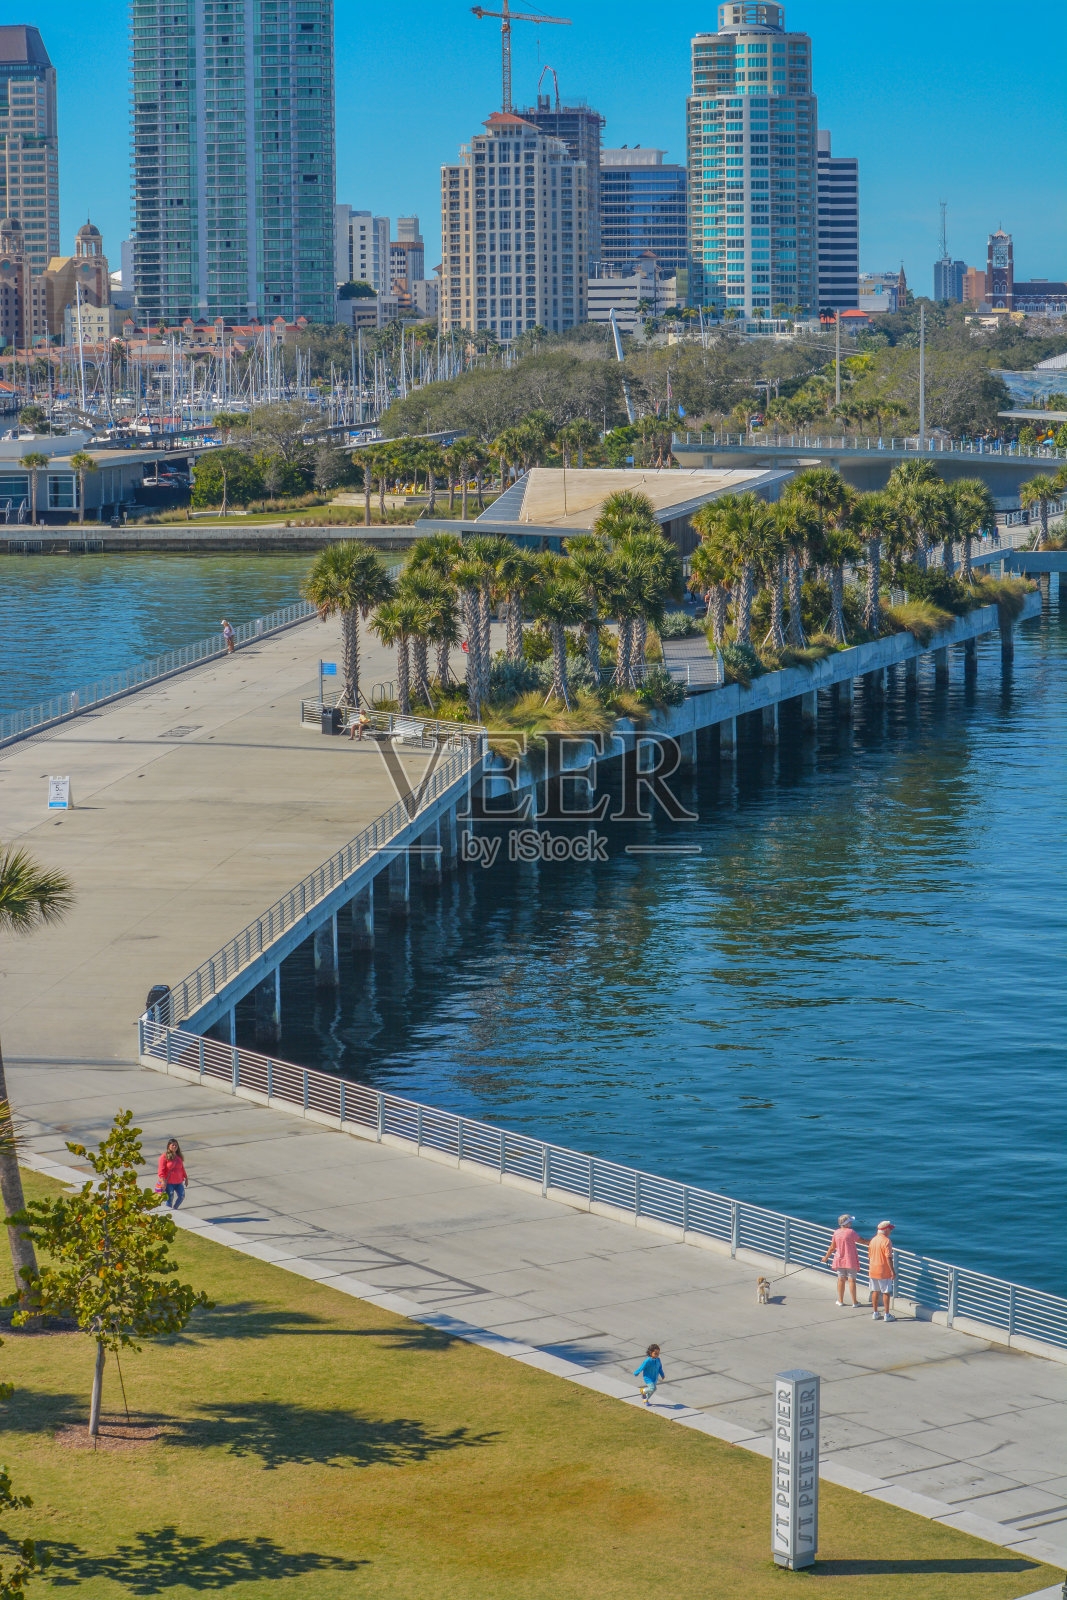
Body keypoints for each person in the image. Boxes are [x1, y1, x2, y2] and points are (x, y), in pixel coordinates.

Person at [821, 1213, 869, 1308]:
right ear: (847, 1223)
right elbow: (862, 1241)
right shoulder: (851, 1232)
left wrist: (826, 1257)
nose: (851, 1223)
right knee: (852, 1281)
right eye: (850, 1221)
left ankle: (840, 1300)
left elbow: (832, 1247)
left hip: (839, 1259)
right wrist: (872, 1241)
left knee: (841, 1280)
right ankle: (854, 1302)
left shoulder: (836, 1232)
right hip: (850, 1260)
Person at [868, 1220, 896, 1322]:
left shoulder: (873, 1240)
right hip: (883, 1270)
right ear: (886, 1230)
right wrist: (892, 1271)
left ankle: (875, 1313)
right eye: (890, 1229)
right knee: (886, 1292)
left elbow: (870, 1255)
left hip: (873, 1269)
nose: (891, 1231)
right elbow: (888, 1257)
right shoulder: (886, 1241)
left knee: (875, 1291)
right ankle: (887, 1315)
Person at [157, 1138, 188, 1210]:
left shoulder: (179, 1157)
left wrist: (186, 1178)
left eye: (176, 1145)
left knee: (181, 1196)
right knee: (170, 1199)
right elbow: (161, 1170)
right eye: (173, 1145)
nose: (174, 1146)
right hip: (169, 1183)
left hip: (179, 1182)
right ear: (169, 1146)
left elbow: (182, 1168)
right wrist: (163, 1181)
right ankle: (169, 1211)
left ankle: (174, 1209)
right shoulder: (164, 1157)